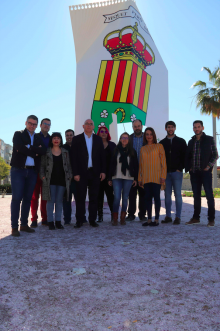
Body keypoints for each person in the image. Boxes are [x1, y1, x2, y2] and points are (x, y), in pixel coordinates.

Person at [10, 115, 46, 236]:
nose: (32, 125)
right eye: (30, 123)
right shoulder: (18, 134)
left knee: (27, 199)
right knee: (16, 198)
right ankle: (14, 227)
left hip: (32, 172)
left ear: (37, 125)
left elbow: (43, 151)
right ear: (26, 123)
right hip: (18, 170)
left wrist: (30, 147)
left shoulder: (37, 137)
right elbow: (19, 148)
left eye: (34, 124)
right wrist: (35, 152)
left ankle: (24, 225)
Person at [71, 119, 106, 228]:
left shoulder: (98, 139)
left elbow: (102, 157)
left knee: (94, 197)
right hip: (81, 173)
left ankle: (92, 220)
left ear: (93, 126)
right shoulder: (76, 139)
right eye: (87, 124)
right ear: (83, 126)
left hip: (95, 173)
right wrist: (75, 173)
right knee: (80, 197)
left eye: (91, 124)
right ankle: (79, 220)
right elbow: (73, 158)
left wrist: (103, 171)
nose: (89, 126)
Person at [185, 120, 218, 227]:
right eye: (195, 127)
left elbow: (215, 155)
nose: (197, 129)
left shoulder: (209, 140)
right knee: (196, 196)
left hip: (205, 172)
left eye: (198, 127)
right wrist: (189, 168)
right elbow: (188, 156)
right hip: (194, 173)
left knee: (209, 195)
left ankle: (211, 219)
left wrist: (208, 167)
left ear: (202, 128)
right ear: (193, 128)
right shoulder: (191, 142)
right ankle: (195, 218)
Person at [40, 132, 72, 230]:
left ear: (61, 140)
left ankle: (58, 222)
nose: (56, 140)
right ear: (52, 140)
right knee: (50, 201)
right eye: (54, 138)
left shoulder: (65, 152)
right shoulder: (47, 152)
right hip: (50, 180)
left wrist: (70, 176)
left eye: (58, 138)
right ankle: (50, 222)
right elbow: (42, 166)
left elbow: (69, 166)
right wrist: (43, 177)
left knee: (59, 201)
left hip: (62, 180)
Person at [138, 127, 167, 227]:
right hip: (146, 178)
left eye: (150, 134)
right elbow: (141, 165)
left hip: (157, 177)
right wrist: (139, 178)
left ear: (153, 135)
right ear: (145, 136)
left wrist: (163, 176)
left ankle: (157, 219)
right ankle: (149, 219)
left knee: (157, 199)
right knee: (147, 199)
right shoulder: (143, 148)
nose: (149, 136)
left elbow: (163, 162)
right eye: (147, 134)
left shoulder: (159, 146)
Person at [160, 121, 187, 225]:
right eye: (168, 127)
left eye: (172, 127)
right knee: (167, 195)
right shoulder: (162, 143)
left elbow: (185, 156)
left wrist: (180, 168)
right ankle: (168, 216)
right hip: (166, 173)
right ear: (166, 128)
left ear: (175, 128)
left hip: (177, 172)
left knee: (178, 195)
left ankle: (178, 217)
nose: (170, 129)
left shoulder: (181, 141)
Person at [108, 132, 138, 226]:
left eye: (126, 138)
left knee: (125, 198)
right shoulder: (115, 150)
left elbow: (136, 166)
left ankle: (122, 218)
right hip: (116, 177)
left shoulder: (132, 151)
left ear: (128, 140)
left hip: (128, 178)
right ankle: (115, 218)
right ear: (120, 139)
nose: (124, 139)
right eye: (123, 137)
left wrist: (135, 178)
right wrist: (109, 178)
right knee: (117, 197)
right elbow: (111, 165)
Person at [30, 118, 51, 228]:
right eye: (45, 124)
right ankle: (34, 219)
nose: (46, 126)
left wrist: (38, 150)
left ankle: (45, 218)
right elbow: (32, 150)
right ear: (40, 125)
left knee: (45, 197)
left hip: (47, 172)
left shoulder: (52, 139)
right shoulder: (34, 137)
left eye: (49, 124)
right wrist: (37, 151)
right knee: (34, 197)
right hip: (35, 170)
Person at [126, 119, 147, 221]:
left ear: (142, 126)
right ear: (132, 127)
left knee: (143, 193)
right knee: (132, 193)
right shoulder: (129, 138)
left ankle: (142, 214)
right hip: (132, 169)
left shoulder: (147, 137)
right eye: (135, 126)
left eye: (138, 126)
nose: (137, 128)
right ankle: (131, 214)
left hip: (144, 169)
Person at [97, 126, 116, 222]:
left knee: (110, 196)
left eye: (105, 131)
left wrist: (111, 177)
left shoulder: (112, 145)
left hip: (109, 175)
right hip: (98, 176)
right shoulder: (95, 144)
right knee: (99, 196)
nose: (103, 133)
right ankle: (100, 216)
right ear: (98, 133)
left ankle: (113, 215)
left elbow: (115, 162)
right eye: (101, 131)